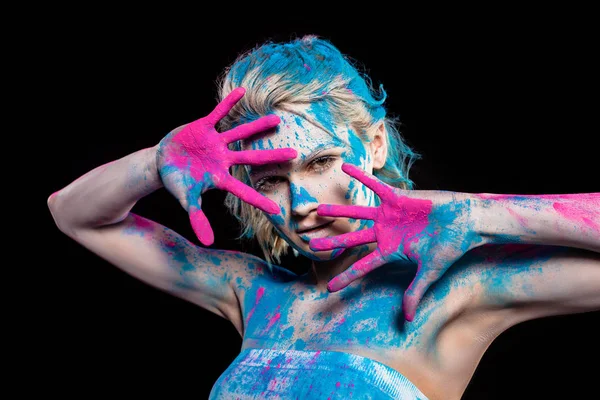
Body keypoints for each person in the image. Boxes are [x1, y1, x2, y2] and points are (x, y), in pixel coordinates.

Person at [47, 35, 599, 399]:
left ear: (375, 143)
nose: (302, 203)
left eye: (321, 162)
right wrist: (156, 161)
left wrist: (474, 214)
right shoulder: (254, 294)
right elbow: (73, 214)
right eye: (273, 180)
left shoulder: (455, 290)